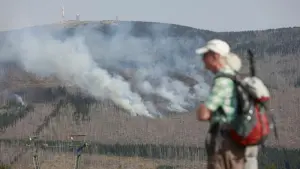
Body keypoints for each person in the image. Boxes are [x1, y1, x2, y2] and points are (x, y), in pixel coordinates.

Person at [195, 39, 258, 169]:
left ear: (215, 56)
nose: (203, 59)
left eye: (205, 55)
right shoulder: (235, 77)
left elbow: (204, 114)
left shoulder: (223, 80)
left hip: (225, 143)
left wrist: (202, 108)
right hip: (235, 141)